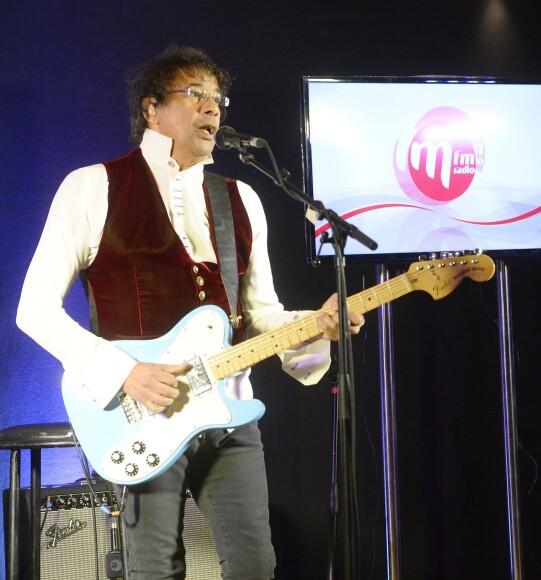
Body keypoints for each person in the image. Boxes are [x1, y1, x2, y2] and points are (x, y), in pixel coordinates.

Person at [16, 45, 364, 580]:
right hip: (140, 417)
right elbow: (33, 309)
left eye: (218, 97)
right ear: (152, 109)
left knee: (255, 566)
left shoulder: (241, 199)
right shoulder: (93, 186)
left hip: (229, 412)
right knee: (154, 569)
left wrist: (314, 325)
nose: (213, 107)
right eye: (194, 93)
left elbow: (260, 314)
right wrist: (124, 372)